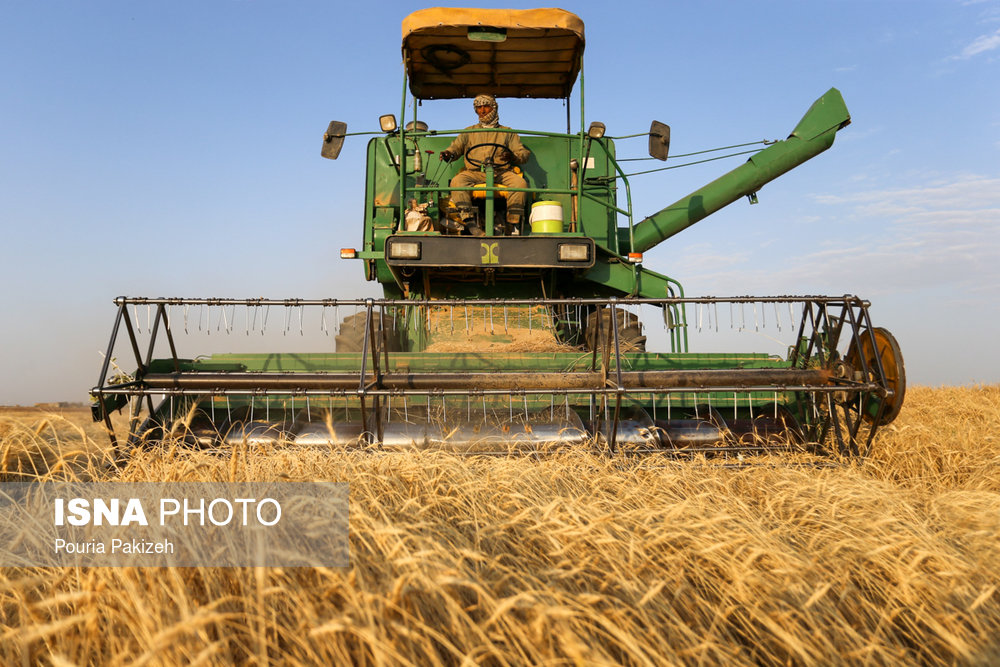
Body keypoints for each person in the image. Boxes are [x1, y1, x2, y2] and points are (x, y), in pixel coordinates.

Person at [439, 94, 530, 235]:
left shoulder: (507, 133)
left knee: (520, 184)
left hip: (501, 172)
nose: (482, 111)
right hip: (475, 172)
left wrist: (513, 156)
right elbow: (455, 148)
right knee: (458, 181)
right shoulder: (469, 132)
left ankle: (512, 224)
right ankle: (470, 223)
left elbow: (522, 153)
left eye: (485, 106)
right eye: (478, 107)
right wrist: (448, 153)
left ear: (494, 107)